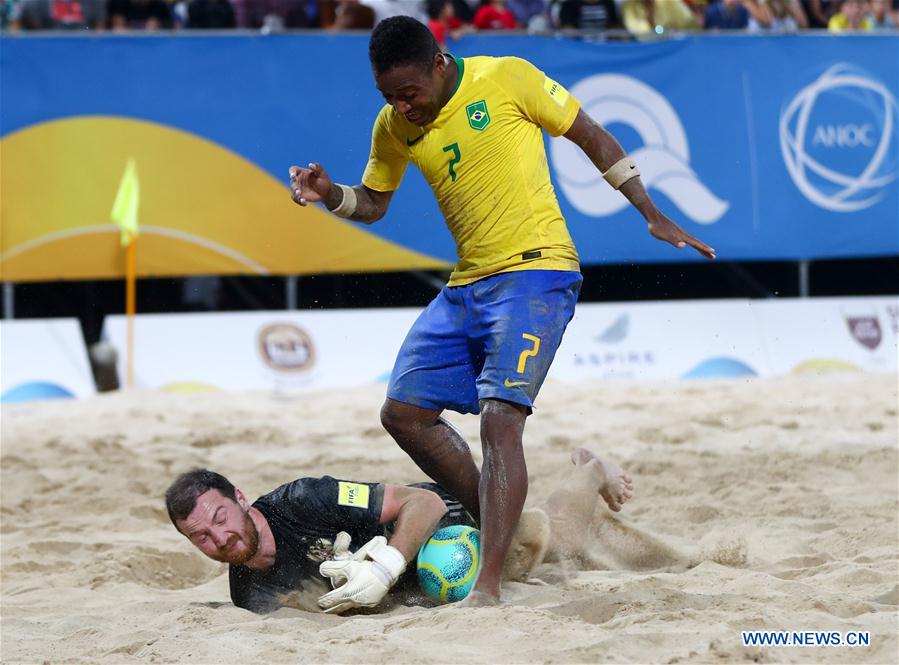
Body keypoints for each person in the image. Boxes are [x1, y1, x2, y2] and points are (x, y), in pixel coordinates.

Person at [288, 16, 713, 606]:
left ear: (439, 62)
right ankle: (504, 529)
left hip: (536, 273)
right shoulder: (393, 124)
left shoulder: (507, 78)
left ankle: (488, 584)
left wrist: (649, 209)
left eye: (409, 93)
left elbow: (590, 134)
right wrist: (330, 195)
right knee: (403, 413)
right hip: (468, 284)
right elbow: (374, 202)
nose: (402, 106)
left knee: (499, 420)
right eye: (389, 96)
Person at [166, 448, 634, 614]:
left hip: (446, 525)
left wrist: (386, 565)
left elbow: (423, 502)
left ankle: (590, 469)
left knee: (553, 540)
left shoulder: (303, 500)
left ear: (241, 499)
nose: (219, 537)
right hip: (422, 585)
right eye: (200, 537)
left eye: (220, 518)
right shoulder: (248, 594)